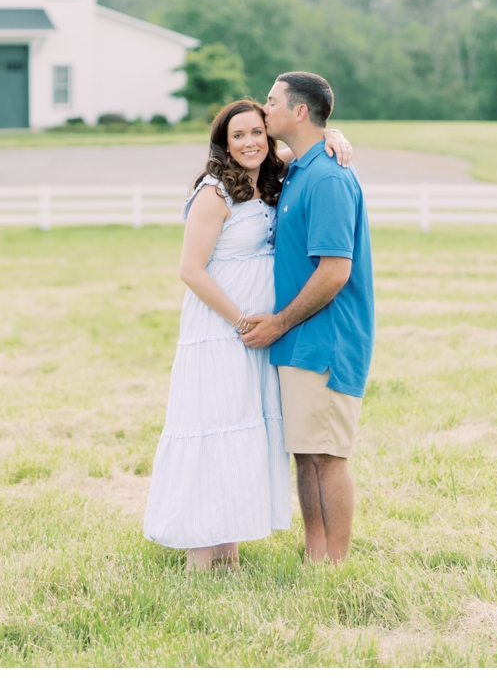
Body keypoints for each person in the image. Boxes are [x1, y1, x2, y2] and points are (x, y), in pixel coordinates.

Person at [142, 98, 352, 570]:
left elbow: (313, 147)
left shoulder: (273, 177)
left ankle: (229, 556)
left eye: (257, 131)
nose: (249, 141)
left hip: (259, 335)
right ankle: (201, 555)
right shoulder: (214, 192)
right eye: (238, 135)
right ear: (224, 142)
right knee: (212, 428)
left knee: (242, 432)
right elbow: (190, 271)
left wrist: (335, 138)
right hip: (222, 331)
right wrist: (239, 321)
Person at [241, 72, 374, 564]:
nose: (264, 109)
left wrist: (277, 322)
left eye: (272, 102)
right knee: (307, 452)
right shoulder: (301, 167)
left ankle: (333, 565)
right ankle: (314, 553)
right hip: (299, 340)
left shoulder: (329, 177)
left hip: (327, 340)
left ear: (299, 111)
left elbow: (335, 272)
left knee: (327, 456)